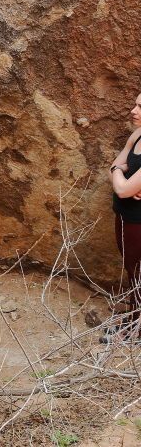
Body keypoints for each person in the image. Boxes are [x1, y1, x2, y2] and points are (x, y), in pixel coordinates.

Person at [103, 92, 141, 343]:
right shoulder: (137, 135)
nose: (133, 110)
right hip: (125, 215)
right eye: (136, 104)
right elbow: (112, 169)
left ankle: (137, 329)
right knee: (133, 270)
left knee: (139, 272)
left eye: (140, 107)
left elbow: (123, 189)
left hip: (139, 221)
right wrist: (119, 170)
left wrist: (120, 175)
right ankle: (135, 319)